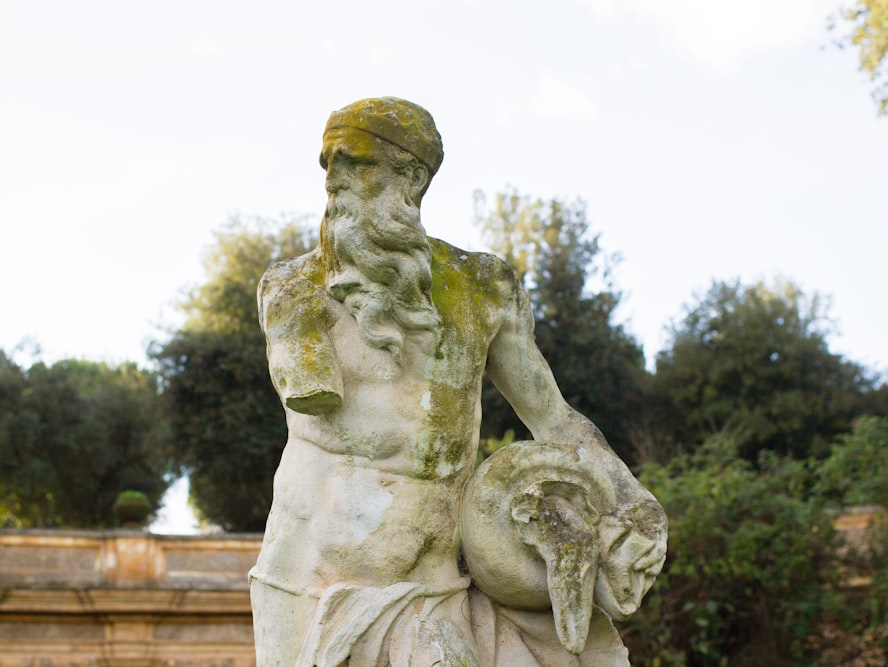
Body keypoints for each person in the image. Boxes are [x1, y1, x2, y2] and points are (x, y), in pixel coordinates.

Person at [250, 97, 666, 666]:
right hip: (306, 584)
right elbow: (307, 386)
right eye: (329, 165)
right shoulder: (294, 288)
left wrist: (633, 501)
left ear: (412, 177)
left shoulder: (482, 289)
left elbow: (554, 418)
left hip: (429, 588)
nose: (335, 181)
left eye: (356, 162)